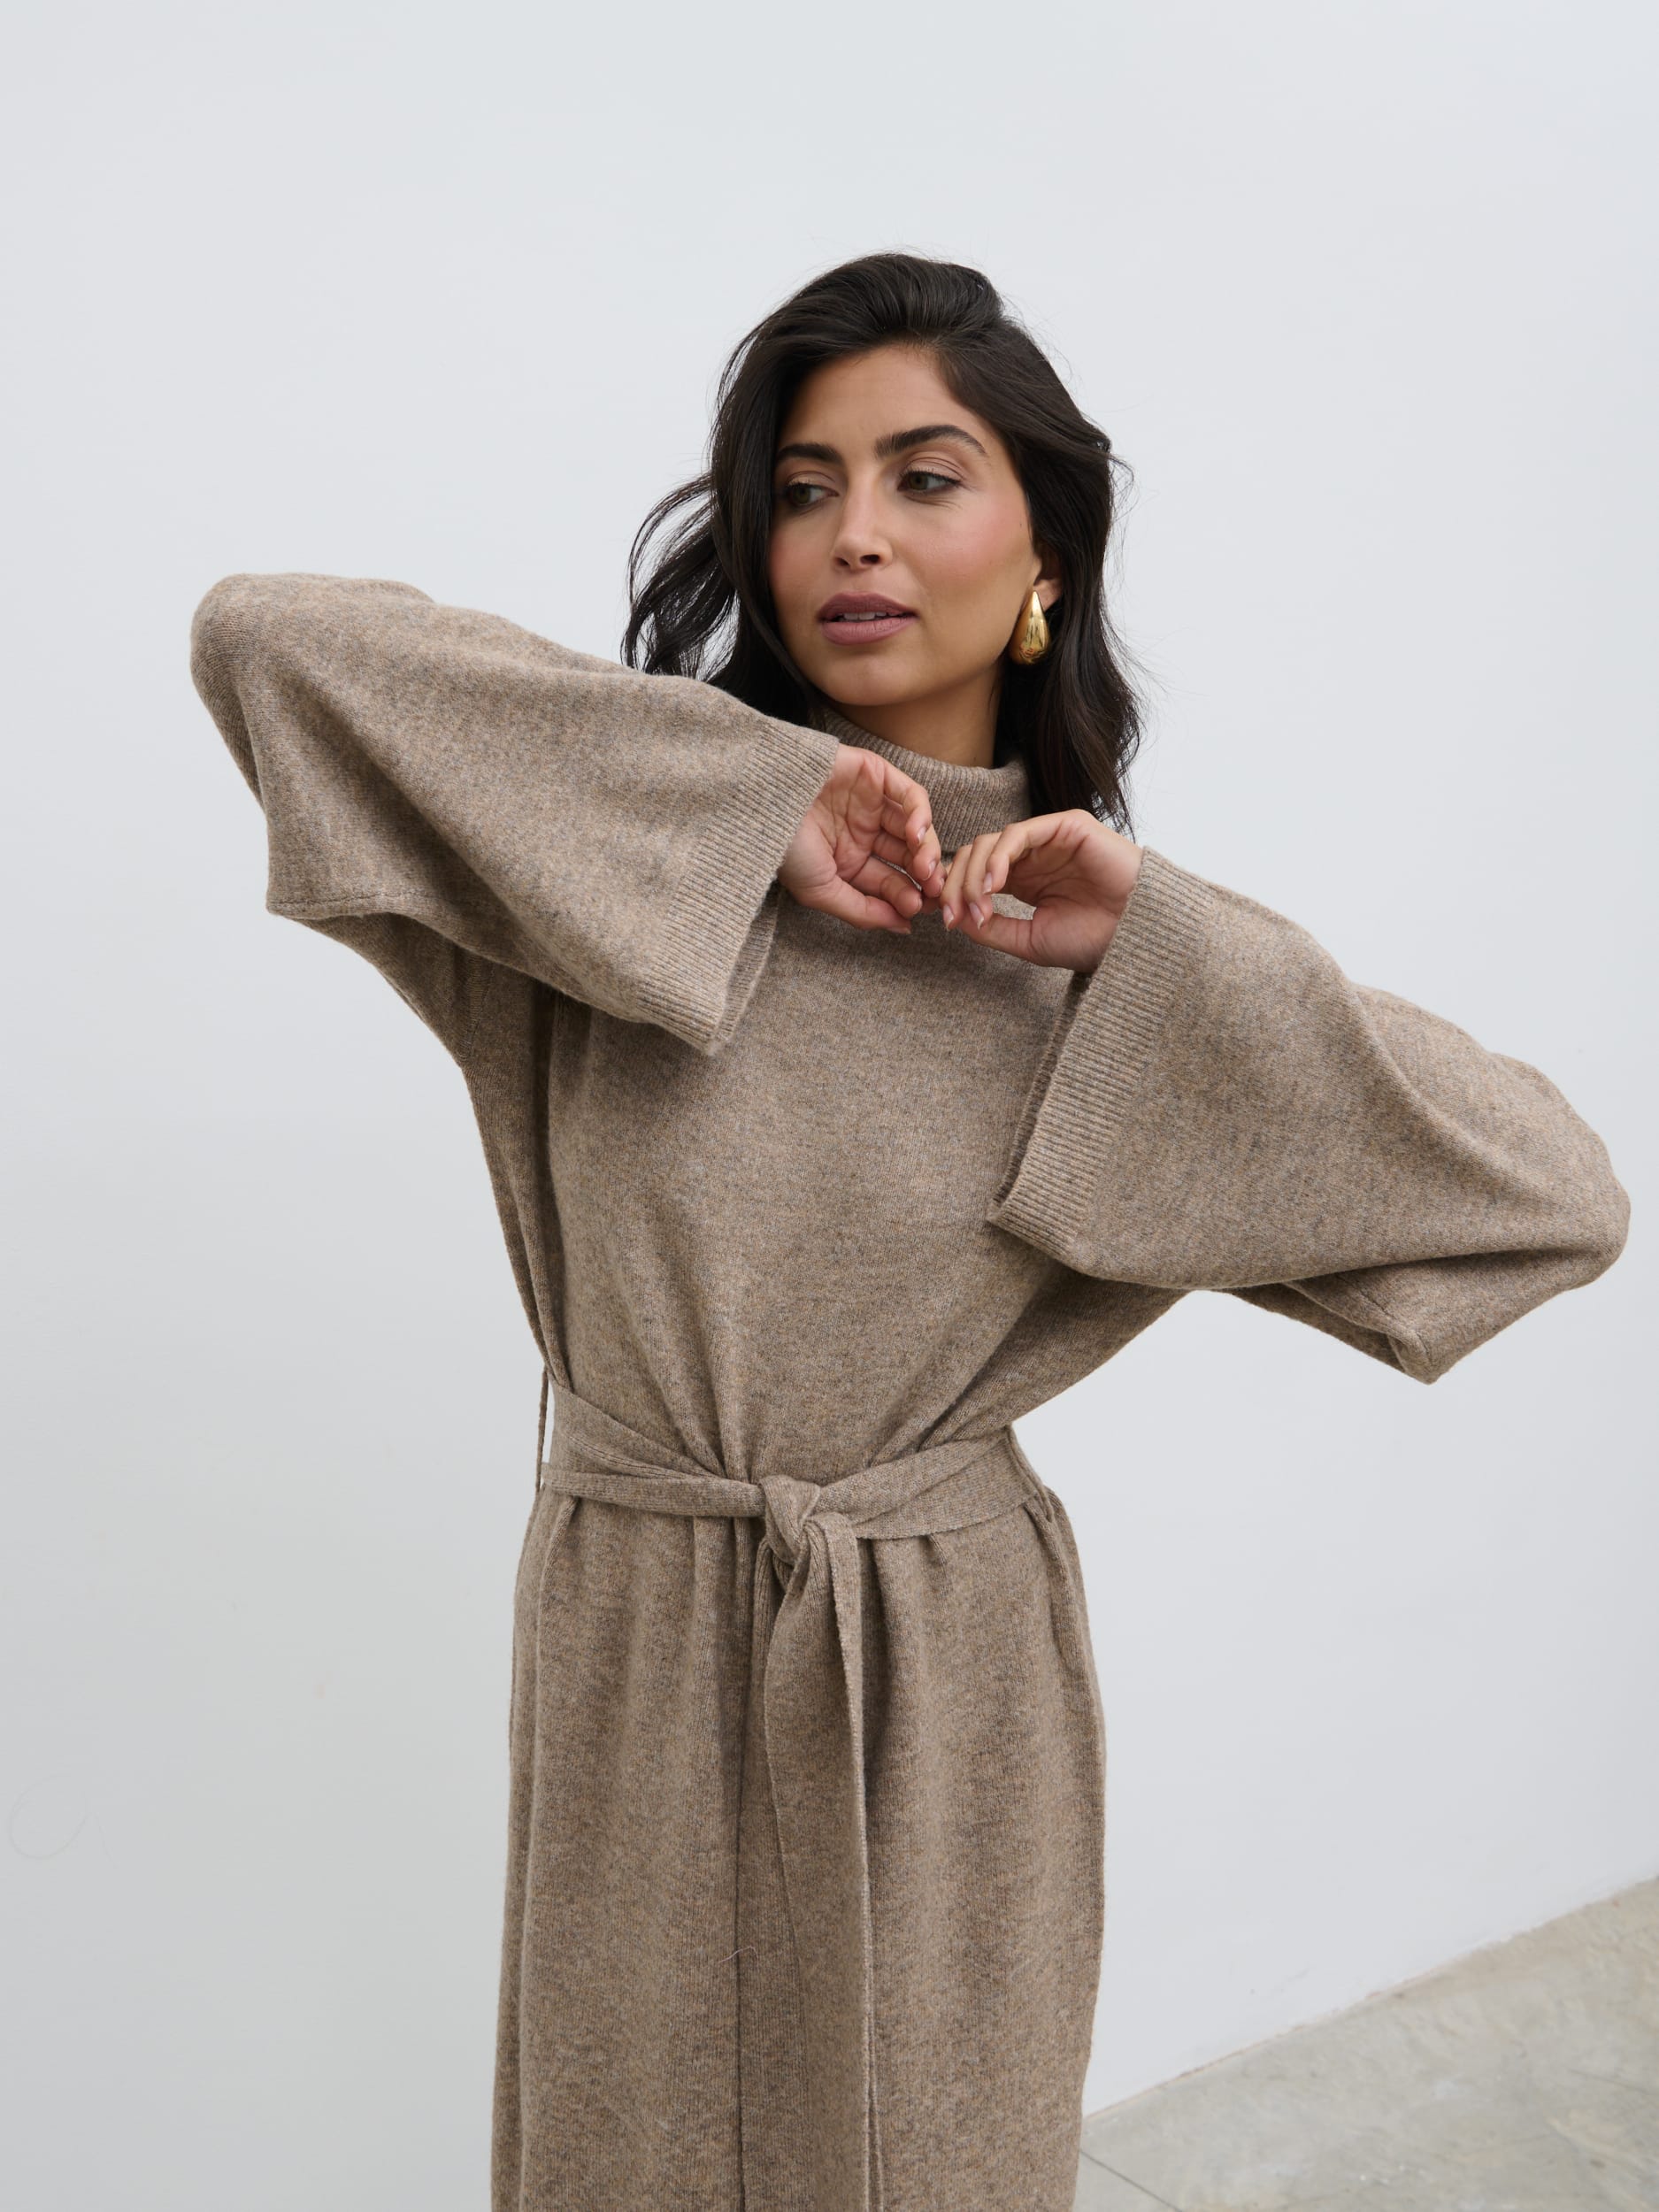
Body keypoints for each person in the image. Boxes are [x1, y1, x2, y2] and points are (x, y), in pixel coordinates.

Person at [188, 252, 1630, 2212]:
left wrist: (1160, 944)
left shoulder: (1103, 965)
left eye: (924, 476)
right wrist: (752, 803)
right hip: (643, 1630)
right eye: (803, 489)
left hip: (943, 1681)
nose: (852, 534)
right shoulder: (621, 887)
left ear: (1047, 554)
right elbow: (265, 637)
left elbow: (1550, 1197)